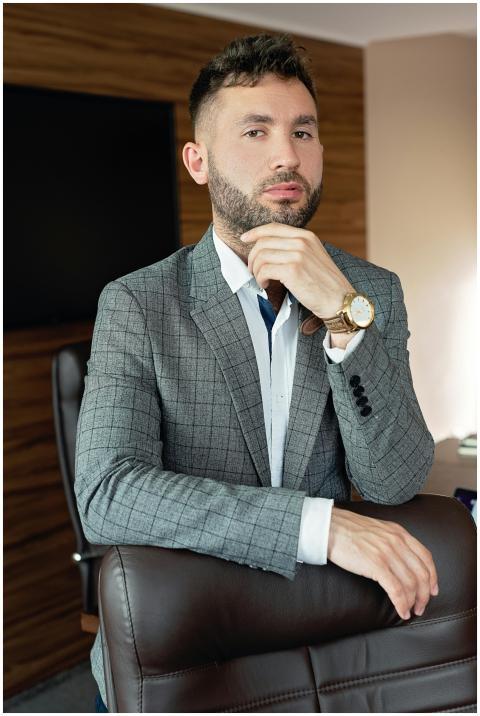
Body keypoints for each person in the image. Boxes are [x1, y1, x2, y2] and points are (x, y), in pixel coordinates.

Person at [75, 33, 438, 712]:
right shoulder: (138, 303)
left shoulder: (370, 291)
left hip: (330, 636)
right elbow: (107, 494)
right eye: (257, 131)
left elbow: (395, 478)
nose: (287, 155)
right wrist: (318, 526)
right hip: (184, 645)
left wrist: (342, 317)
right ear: (199, 162)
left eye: (303, 131)